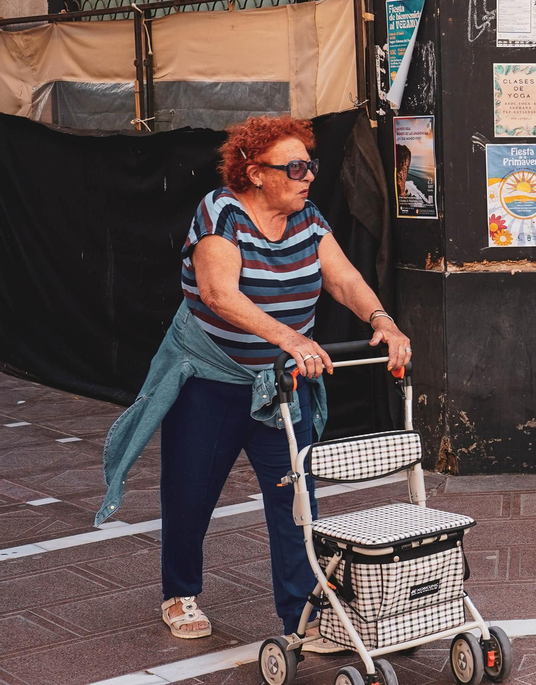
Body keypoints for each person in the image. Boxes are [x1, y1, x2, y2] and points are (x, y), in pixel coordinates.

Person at [97, 115, 412, 646]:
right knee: (190, 491)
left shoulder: (308, 218)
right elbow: (219, 294)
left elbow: (342, 277)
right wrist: (290, 339)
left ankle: (301, 617)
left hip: (281, 385)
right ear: (255, 172)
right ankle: (179, 591)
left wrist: (382, 319)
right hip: (211, 379)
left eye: (309, 165)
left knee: (297, 500)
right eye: (294, 167)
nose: (307, 175)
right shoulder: (221, 213)